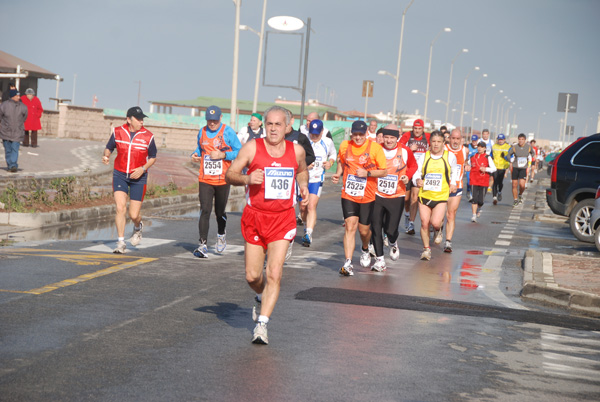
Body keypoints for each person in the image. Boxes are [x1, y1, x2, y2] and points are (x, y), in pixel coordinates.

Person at [225, 105, 309, 345]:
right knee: (253, 276)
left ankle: (262, 325)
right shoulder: (252, 148)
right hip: (255, 217)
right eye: (269, 124)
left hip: (282, 218)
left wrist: (302, 185)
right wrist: (247, 178)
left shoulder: (297, 151)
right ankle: (260, 295)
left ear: (287, 127)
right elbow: (230, 174)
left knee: (274, 272)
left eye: (278, 124)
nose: (273, 128)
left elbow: (302, 171)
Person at [332, 120, 387, 276]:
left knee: (364, 231)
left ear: (365, 134)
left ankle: (365, 248)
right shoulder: (344, 146)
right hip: (348, 193)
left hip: (367, 195)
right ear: (352, 134)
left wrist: (368, 173)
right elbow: (342, 163)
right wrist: (338, 173)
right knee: (350, 226)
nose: (357, 137)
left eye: (361, 135)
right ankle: (348, 263)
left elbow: (384, 172)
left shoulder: (375, 148)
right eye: (355, 134)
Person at [102, 106, 157, 253]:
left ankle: (138, 227)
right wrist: (106, 155)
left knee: (133, 215)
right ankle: (120, 242)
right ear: (128, 119)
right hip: (120, 174)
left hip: (138, 177)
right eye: (138, 119)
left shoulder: (148, 136)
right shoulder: (118, 132)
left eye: (142, 119)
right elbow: (109, 147)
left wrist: (142, 169)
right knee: (120, 208)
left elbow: (153, 157)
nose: (141, 122)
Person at [191, 105, 242, 258]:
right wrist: (194, 154)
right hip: (205, 179)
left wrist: (223, 155)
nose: (211, 123)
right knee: (205, 210)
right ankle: (203, 244)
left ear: (220, 118)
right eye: (209, 120)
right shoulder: (202, 131)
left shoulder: (228, 132)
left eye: (214, 120)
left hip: (222, 179)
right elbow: (200, 149)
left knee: (219, 212)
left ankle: (221, 234)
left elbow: (239, 151)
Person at [370, 125, 417, 271]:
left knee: (390, 230)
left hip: (397, 194)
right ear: (382, 137)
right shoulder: (376, 149)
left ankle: (393, 242)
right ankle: (379, 260)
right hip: (377, 194)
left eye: (392, 138)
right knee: (376, 228)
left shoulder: (405, 150)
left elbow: (413, 166)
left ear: (397, 138)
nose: (389, 140)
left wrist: (407, 176)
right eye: (386, 137)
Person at [412, 131, 459, 261]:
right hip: (425, 194)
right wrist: (417, 180)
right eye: (434, 141)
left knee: (435, 222)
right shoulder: (424, 156)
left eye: (439, 142)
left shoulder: (450, 157)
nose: (436, 144)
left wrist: (453, 183)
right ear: (430, 143)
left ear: (444, 143)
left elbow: (454, 170)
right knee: (424, 223)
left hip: (441, 195)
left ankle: (439, 229)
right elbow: (416, 172)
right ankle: (426, 249)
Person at [300, 119, 336, 247]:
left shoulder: (327, 142)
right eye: (312, 134)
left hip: (317, 178)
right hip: (302, 179)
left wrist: (330, 163)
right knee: (303, 208)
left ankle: (309, 233)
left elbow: (333, 154)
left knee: (311, 206)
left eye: (317, 134)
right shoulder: (303, 141)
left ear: (322, 131)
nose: (314, 136)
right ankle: (305, 226)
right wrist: (304, 165)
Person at [440, 128, 469, 252]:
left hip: (457, 186)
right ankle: (438, 229)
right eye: (453, 138)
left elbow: (465, 162)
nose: (455, 141)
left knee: (451, 214)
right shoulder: (444, 148)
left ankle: (448, 242)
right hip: (442, 187)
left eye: (458, 139)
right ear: (449, 138)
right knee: (439, 216)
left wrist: (467, 165)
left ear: (461, 139)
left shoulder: (465, 150)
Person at [399, 119, 430, 234]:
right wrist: (409, 149)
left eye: (419, 129)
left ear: (423, 129)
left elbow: (437, 147)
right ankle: (407, 215)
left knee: (414, 197)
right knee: (406, 200)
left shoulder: (427, 137)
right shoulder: (408, 135)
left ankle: (411, 224)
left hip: (419, 172)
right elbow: (399, 147)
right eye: (415, 129)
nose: (417, 131)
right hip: (408, 171)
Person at [0, 89, 28, 173]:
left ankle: (13, 165)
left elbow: (24, 117)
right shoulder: (4, 105)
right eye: (17, 96)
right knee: (8, 150)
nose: (19, 97)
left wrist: (19, 125)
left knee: (15, 149)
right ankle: (10, 165)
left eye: (19, 96)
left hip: (17, 131)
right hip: (6, 131)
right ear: (12, 96)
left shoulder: (23, 106)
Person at [468, 141, 496, 222]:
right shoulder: (473, 157)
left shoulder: (488, 157)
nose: (479, 148)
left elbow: (494, 168)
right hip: (474, 180)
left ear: (485, 148)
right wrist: (466, 166)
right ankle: (473, 216)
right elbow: (468, 165)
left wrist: (486, 169)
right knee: (474, 199)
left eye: (482, 147)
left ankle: (479, 209)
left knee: (481, 201)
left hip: (483, 181)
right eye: (478, 147)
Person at [507, 133, 535, 206]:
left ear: (525, 140)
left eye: (522, 139)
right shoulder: (514, 147)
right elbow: (508, 154)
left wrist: (530, 158)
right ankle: (515, 200)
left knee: (522, 185)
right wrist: (510, 160)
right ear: (518, 140)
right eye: (519, 139)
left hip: (523, 168)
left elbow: (533, 153)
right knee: (514, 185)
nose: (521, 141)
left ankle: (520, 194)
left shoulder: (528, 147)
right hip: (515, 167)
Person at [491, 133, 511, 205]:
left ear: (504, 140)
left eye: (502, 139)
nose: (500, 141)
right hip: (495, 166)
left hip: (503, 167)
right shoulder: (494, 146)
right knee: (495, 181)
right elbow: (491, 155)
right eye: (499, 139)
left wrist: (504, 157)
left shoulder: (508, 147)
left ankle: (499, 192)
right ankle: (494, 197)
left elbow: (510, 158)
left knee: (500, 182)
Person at [465, 134, 479, 200]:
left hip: (475, 167)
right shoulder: (468, 146)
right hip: (468, 166)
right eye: (473, 141)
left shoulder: (479, 147)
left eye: (475, 141)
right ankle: (468, 190)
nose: (474, 142)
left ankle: (472, 194)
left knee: (474, 181)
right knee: (469, 180)